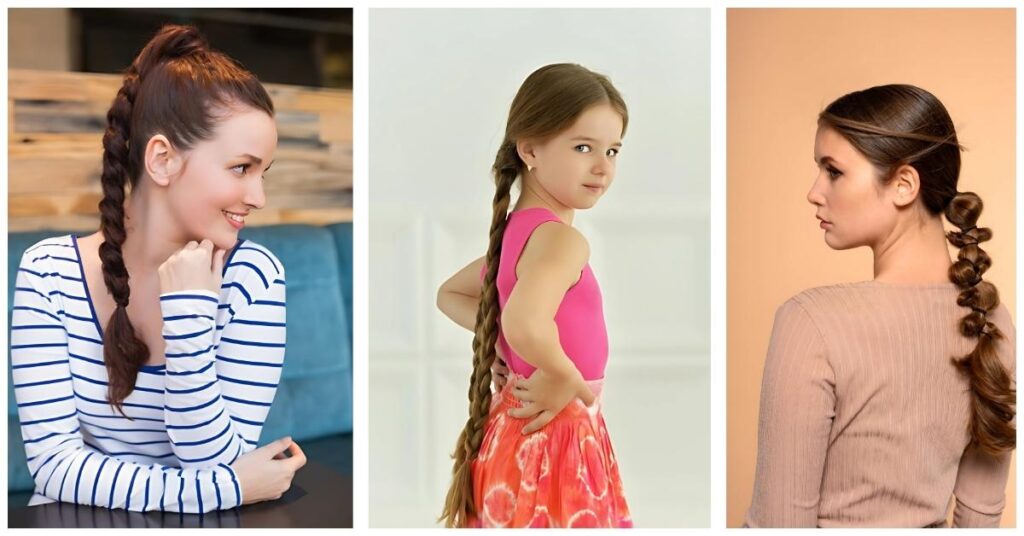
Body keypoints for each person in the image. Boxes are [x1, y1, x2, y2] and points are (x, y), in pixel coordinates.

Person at [11, 24, 305, 514]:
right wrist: (226, 488)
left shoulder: (254, 278)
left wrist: (190, 313)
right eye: (241, 168)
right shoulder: (47, 274)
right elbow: (54, 466)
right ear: (163, 159)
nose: (258, 197)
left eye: (262, 173)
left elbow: (211, 460)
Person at [745, 84, 1016, 528]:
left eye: (833, 171)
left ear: (904, 185)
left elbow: (778, 524)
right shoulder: (991, 321)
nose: (814, 192)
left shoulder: (810, 323)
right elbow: (981, 517)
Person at [436, 63, 632, 528]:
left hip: (516, 429)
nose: (602, 167)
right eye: (583, 147)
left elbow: (454, 295)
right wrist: (567, 376)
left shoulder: (515, 236)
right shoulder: (561, 240)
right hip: (555, 432)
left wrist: (507, 346)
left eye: (612, 150)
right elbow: (524, 322)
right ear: (530, 149)